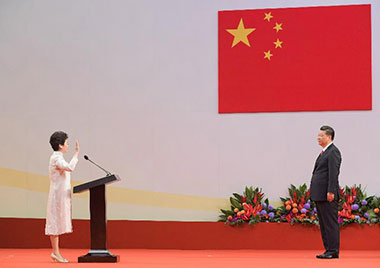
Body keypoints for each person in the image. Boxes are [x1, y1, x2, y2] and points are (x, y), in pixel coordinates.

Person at [45, 131, 79, 263]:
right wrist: (76, 154)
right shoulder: (56, 158)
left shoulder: (58, 157)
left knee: (57, 222)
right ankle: (55, 253)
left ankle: (56, 252)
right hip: (56, 196)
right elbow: (69, 168)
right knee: (54, 222)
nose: (68, 146)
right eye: (66, 143)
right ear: (60, 145)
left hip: (60, 195)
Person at [310, 125, 342, 259]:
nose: (318, 138)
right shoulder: (324, 152)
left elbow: (333, 174)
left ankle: (333, 250)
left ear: (329, 137)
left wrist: (331, 191)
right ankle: (328, 249)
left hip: (327, 194)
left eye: (321, 136)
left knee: (330, 223)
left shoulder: (333, 152)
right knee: (323, 224)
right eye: (318, 135)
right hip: (320, 194)